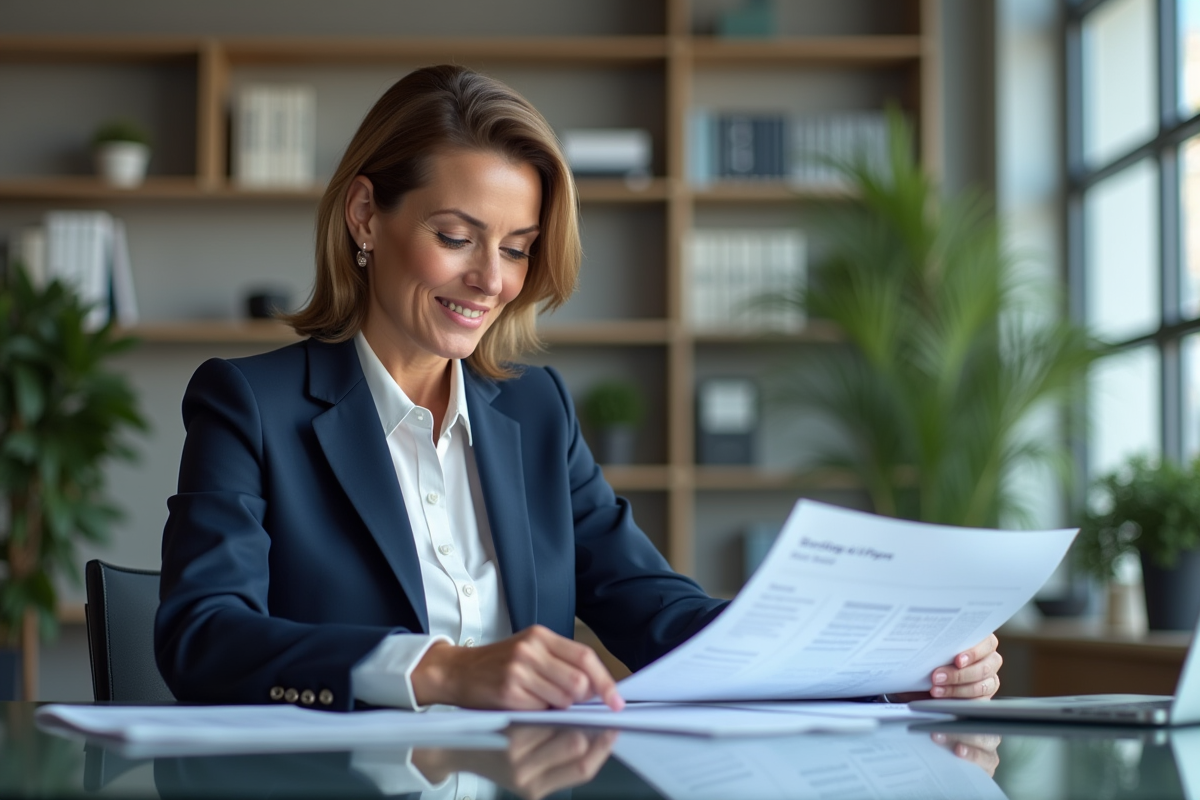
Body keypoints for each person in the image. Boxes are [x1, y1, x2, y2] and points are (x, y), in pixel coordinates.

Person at [154, 64, 1002, 712]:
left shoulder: (534, 408)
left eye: (518, 247)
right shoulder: (250, 404)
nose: (491, 279)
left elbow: (655, 610)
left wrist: (886, 659)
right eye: (457, 236)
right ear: (367, 216)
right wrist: (442, 668)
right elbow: (202, 637)